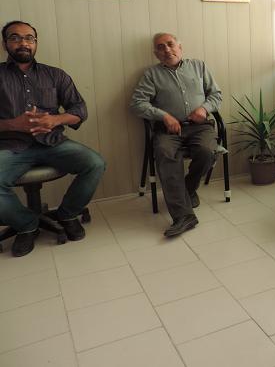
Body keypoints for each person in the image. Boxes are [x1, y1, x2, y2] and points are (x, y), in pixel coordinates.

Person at [0, 20, 106, 257]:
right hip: (11, 146)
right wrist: (13, 124)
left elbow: (79, 109)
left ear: (36, 43)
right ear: (5, 43)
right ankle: (27, 225)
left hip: (53, 143)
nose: (23, 43)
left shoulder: (55, 75)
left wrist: (55, 120)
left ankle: (67, 214)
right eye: (15, 37)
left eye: (29, 38)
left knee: (95, 163)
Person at [130, 33, 222, 238]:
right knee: (165, 153)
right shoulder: (151, 75)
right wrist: (164, 116)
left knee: (207, 152)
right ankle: (183, 216)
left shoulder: (199, 66)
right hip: (168, 130)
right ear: (156, 53)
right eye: (160, 47)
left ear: (180, 47)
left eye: (170, 44)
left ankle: (188, 189)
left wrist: (204, 109)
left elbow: (216, 95)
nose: (166, 50)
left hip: (199, 127)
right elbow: (137, 103)